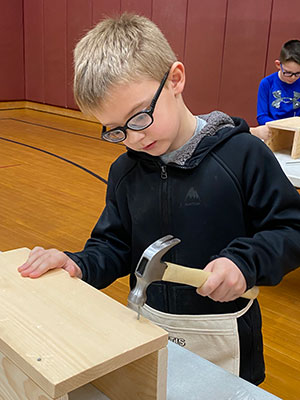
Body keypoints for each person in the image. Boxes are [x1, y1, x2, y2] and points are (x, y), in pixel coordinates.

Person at [18, 14, 300, 386]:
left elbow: (291, 228)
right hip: (150, 325)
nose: (132, 140)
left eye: (138, 118)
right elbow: (114, 245)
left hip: (225, 332)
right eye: (114, 130)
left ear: (176, 79)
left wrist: (245, 263)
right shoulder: (125, 172)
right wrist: (77, 264)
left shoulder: (243, 155)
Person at [251, 39, 300, 140]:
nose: (293, 77)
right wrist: (280, 128)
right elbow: (262, 116)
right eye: (288, 72)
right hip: (272, 133)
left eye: (297, 74)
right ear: (278, 65)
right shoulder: (267, 83)